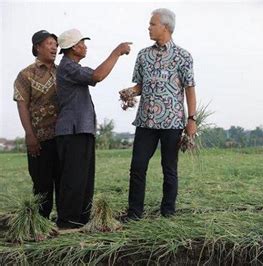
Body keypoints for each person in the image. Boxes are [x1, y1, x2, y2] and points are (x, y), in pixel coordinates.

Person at [123, 8, 197, 220]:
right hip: (145, 121)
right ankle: (134, 213)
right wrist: (130, 92)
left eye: (152, 24)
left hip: (172, 122)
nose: (149, 27)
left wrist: (191, 119)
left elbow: (190, 88)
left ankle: (168, 213)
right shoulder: (143, 55)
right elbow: (140, 86)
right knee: (137, 166)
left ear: (165, 27)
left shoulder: (183, 56)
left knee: (169, 169)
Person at [55, 28, 131, 228]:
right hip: (73, 132)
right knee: (74, 178)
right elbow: (97, 75)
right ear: (73, 48)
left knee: (84, 179)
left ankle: (79, 220)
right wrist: (116, 52)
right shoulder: (67, 67)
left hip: (81, 130)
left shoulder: (73, 67)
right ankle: (68, 222)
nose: (85, 46)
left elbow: (94, 74)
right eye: (82, 43)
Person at [13, 30, 60, 219]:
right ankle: (40, 222)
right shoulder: (25, 75)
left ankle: (64, 221)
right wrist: (30, 135)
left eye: (56, 44)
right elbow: (22, 105)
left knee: (64, 181)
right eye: (49, 43)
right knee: (42, 185)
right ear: (37, 47)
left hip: (62, 137)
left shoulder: (62, 71)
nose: (54, 47)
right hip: (39, 140)